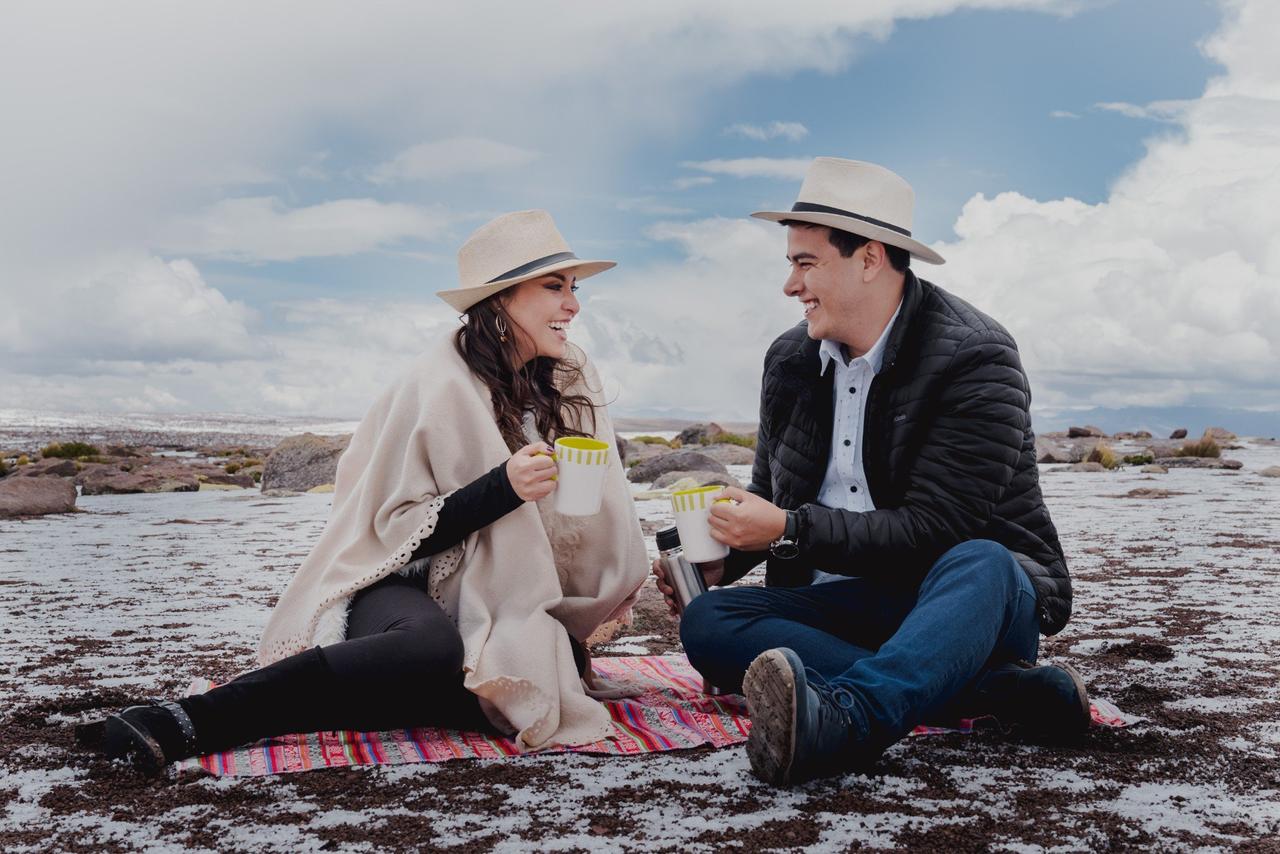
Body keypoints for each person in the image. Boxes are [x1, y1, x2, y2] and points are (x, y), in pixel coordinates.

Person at [79, 210, 650, 775]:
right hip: (392, 581)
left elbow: (588, 512)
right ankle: (188, 719)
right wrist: (504, 487)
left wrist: (610, 570)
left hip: (491, 591)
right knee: (431, 651)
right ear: (500, 299)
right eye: (555, 288)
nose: (573, 305)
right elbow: (389, 525)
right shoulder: (437, 383)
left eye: (574, 289)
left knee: (534, 676)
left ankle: (375, 696)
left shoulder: (566, 379)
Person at [655, 158, 1086, 786]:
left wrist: (787, 529)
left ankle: (852, 717)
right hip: (849, 601)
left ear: (870, 258)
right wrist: (726, 559)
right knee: (710, 621)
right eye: (790, 264)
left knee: (985, 559)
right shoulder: (790, 360)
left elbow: (939, 529)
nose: (790, 286)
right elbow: (773, 499)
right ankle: (994, 694)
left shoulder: (975, 356)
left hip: (966, 601)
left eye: (806, 264)